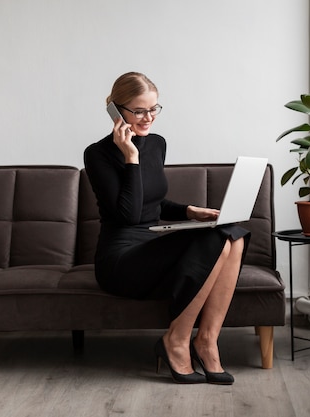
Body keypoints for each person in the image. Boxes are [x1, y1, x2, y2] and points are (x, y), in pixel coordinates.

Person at [83, 72, 250, 385]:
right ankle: (175, 340)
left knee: (233, 236)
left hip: (151, 248)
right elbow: (130, 215)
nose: (149, 118)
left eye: (154, 109)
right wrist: (130, 156)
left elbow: (152, 203)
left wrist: (188, 210)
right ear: (116, 111)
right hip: (120, 261)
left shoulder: (157, 145)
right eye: (140, 110)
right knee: (215, 239)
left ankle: (207, 341)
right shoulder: (97, 154)